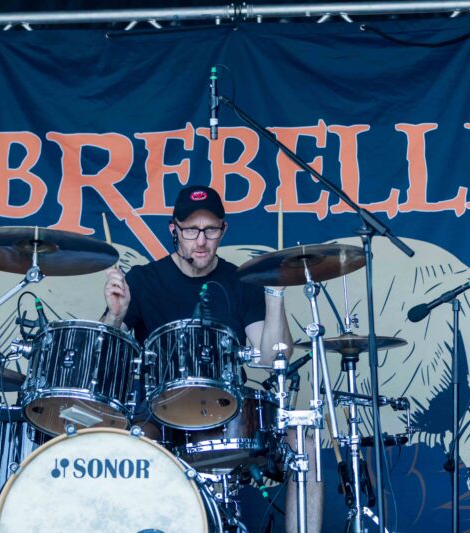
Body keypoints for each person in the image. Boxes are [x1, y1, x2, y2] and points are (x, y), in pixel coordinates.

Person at [101, 185, 321, 532]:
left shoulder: (242, 281)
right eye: (191, 230)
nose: (201, 240)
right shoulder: (144, 279)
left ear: (224, 229)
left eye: (211, 229)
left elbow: (272, 356)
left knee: (306, 445)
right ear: (174, 230)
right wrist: (114, 316)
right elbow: (104, 357)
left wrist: (274, 292)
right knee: (129, 447)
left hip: (229, 414)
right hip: (161, 415)